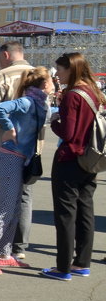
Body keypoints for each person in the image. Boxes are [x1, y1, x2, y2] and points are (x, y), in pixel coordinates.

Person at [0, 67, 51, 276]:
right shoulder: (28, 101)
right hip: (9, 158)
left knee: (15, 209)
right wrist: (9, 128)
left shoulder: (39, 103)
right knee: (5, 209)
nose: (54, 82)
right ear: (44, 84)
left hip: (18, 160)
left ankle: (3, 253)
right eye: (51, 80)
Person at [44, 52, 105, 280]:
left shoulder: (72, 96)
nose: (57, 74)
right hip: (89, 159)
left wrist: (55, 122)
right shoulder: (93, 92)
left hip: (69, 159)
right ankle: (82, 263)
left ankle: (63, 268)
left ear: (71, 69)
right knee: (85, 212)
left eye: (59, 69)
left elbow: (68, 134)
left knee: (65, 215)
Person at [0, 40, 37, 263]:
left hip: (3, 146)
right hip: (32, 147)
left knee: (0, 196)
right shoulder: (39, 75)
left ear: (5, 55)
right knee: (25, 197)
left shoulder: (3, 75)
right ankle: (19, 246)